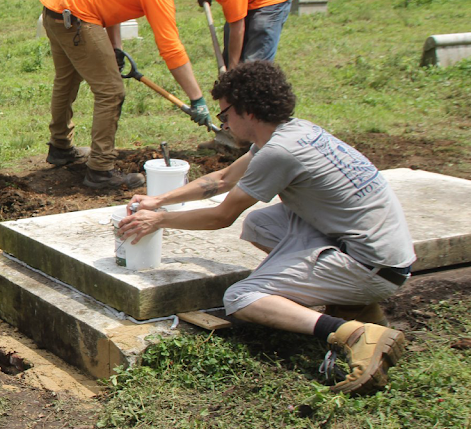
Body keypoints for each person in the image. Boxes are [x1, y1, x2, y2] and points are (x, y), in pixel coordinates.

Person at [117, 61, 414, 395]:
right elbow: (223, 179)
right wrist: (160, 201)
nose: (223, 123)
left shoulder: (279, 152)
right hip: (376, 249)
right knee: (260, 224)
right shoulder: (293, 132)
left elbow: (221, 217)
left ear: (249, 111)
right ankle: (357, 304)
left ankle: (354, 333)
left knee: (242, 296)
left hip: (374, 266)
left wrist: (159, 219)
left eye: (225, 114)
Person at [39, 0, 220, 189]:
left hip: (57, 6)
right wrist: (197, 99)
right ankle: (100, 171)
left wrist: (115, 47)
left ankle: (60, 147)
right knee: (111, 91)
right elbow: (171, 48)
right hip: (78, 14)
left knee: (67, 81)